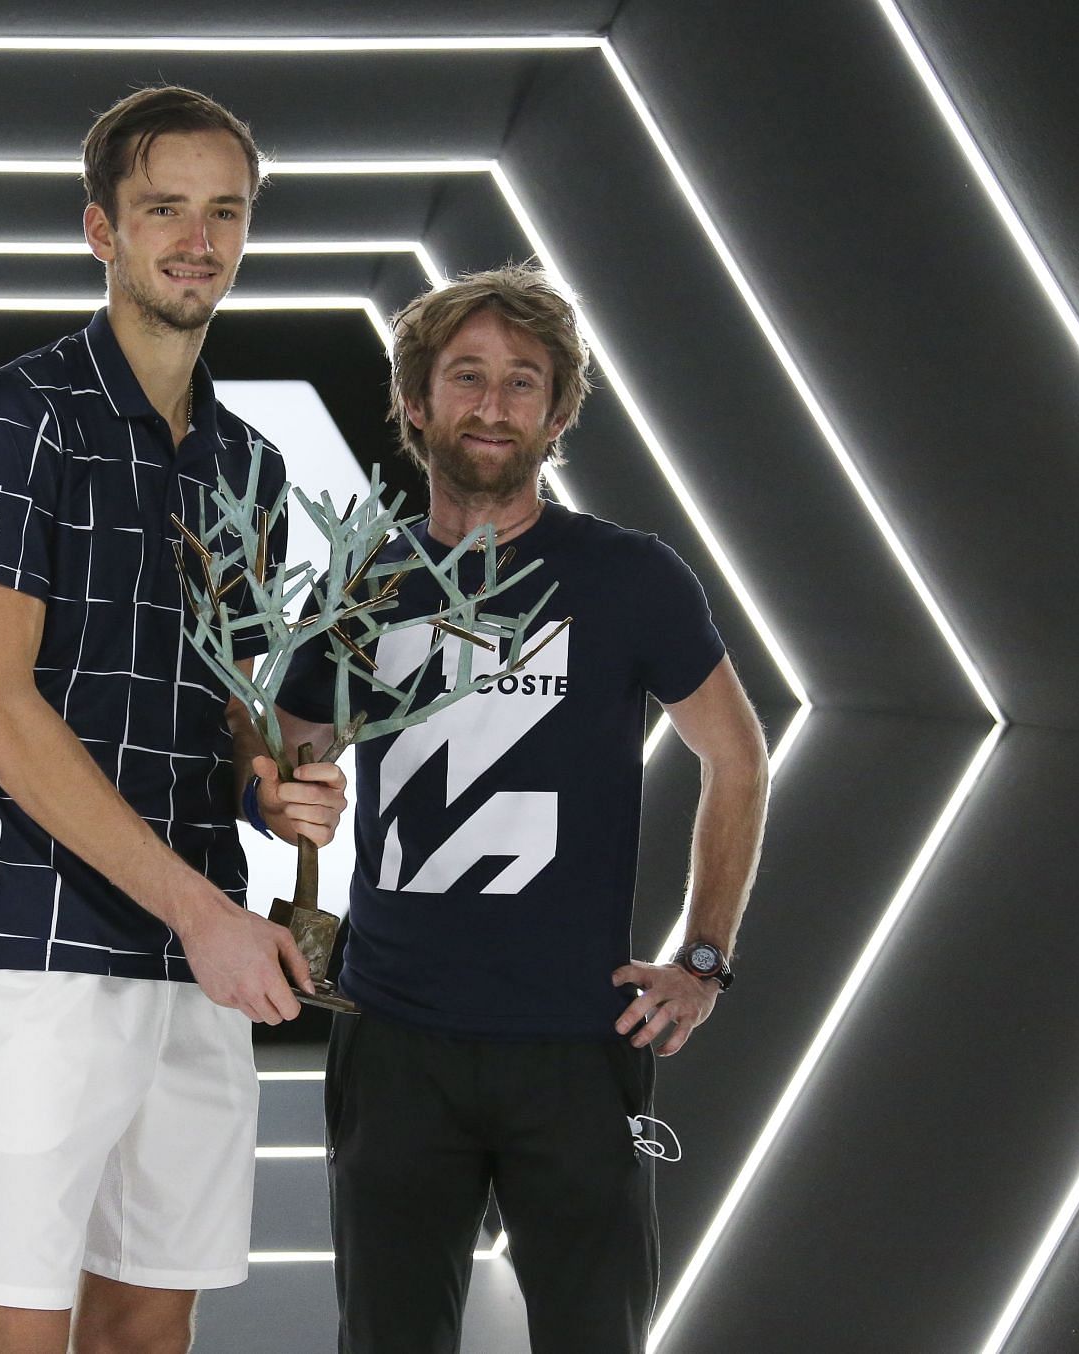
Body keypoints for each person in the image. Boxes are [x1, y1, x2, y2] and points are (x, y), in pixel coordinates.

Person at [0, 86, 347, 1354]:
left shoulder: (248, 464)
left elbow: (234, 713)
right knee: (15, 1323)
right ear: (101, 229)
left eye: (226, 212)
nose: (198, 239)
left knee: (152, 1325)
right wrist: (206, 910)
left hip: (199, 954)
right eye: (166, 208)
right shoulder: (16, 413)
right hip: (38, 942)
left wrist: (273, 782)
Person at [274, 263, 770, 1354]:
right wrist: (280, 785)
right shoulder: (365, 579)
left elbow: (736, 758)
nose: (493, 405)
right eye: (466, 377)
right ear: (417, 401)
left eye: (522, 382)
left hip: (574, 1045)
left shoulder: (629, 576)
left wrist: (705, 956)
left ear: (557, 412)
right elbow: (285, 753)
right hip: (395, 1036)